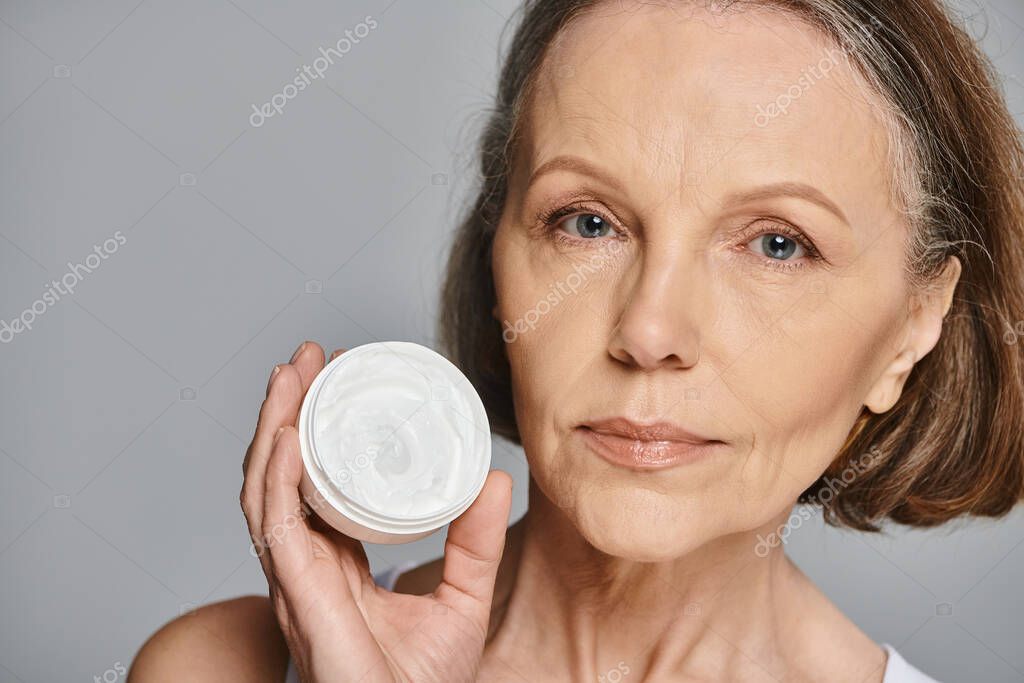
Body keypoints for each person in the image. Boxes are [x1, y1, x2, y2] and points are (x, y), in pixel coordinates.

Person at [130, 0, 1024, 680]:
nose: (649, 330)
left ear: (914, 326)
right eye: (588, 223)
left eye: (777, 244)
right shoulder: (218, 668)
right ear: (497, 255)